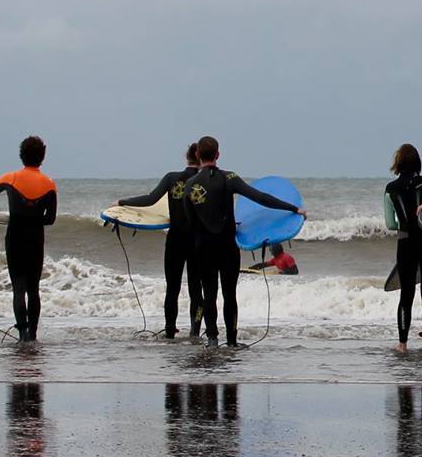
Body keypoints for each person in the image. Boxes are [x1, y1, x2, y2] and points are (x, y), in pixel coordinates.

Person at [182, 136, 303, 347]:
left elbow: (190, 222)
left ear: (198, 155)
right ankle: (231, 341)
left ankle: (212, 339)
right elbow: (260, 197)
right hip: (227, 247)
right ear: (218, 155)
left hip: (203, 247)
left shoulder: (190, 185)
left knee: (209, 293)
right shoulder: (229, 178)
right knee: (230, 295)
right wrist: (293, 209)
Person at [0, 136, 59, 342]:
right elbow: (50, 219)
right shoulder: (49, 184)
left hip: (15, 237)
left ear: (21, 155)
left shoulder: (10, 178)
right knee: (34, 290)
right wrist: (33, 218)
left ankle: (22, 333)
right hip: (35, 239)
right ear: (42, 157)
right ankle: (33, 335)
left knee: (18, 288)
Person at [116, 143, 206, 339]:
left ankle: (170, 331)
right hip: (197, 241)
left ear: (187, 157)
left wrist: (123, 202)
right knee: (196, 289)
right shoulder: (205, 179)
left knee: (172, 287)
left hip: (175, 239)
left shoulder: (172, 178)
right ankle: (195, 332)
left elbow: (150, 199)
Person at [383, 145, 422, 351]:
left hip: (406, 243)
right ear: (417, 162)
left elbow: (390, 224)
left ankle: (402, 343)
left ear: (398, 163)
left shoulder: (390, 189)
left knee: (406, 294)